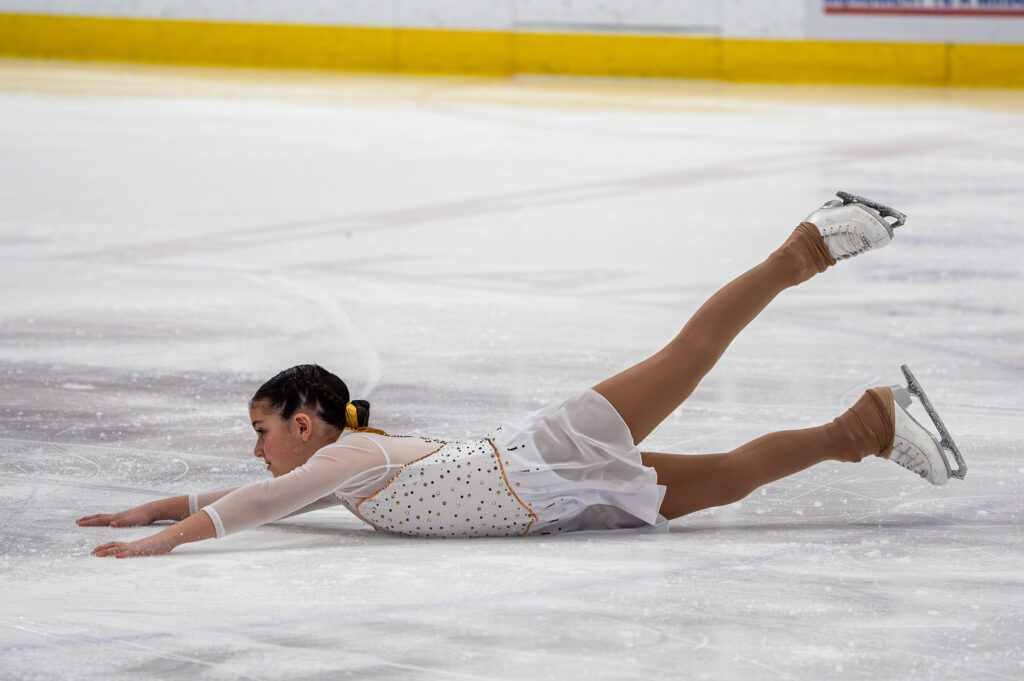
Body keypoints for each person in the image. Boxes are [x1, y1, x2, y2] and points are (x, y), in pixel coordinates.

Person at [78, 192, 965, 558]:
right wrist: (154, 504)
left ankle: (815, 240)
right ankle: (871, 425)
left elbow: (252, 505)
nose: (256, 445)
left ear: (305, 423)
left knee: (687, 358)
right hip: (552, 497)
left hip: (547, 450)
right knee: (725, 480)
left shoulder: (339, 464)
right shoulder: (332, 471)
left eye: (262, 428)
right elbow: (248, 491)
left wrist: (158, 542)